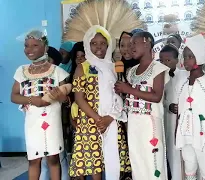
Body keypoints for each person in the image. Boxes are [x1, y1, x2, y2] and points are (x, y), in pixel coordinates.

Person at [70, 25, 132, 180]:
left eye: (103, 43)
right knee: (94, 162)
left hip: (111, 119)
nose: (99, 47)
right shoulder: (82, 67)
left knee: (113, 159)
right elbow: (79, 98)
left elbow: (118, 95)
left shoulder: (113, 67)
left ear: (109, 45)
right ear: (87, 45)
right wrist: (99, 120)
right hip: (91, 120)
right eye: (94, 43)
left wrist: (109, 118)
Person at [11, 30, 69, 180]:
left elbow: (65, 98)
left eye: (35, 45)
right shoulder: (21, 72)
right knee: (33, 160)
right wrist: (33, 100)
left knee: (53, 159)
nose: (29, 49)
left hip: (52, 120)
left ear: (45, 48)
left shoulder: (57, 72)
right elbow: (14, 96)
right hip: (32, 123)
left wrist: (61, 96)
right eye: (26, 46)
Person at [115, 31, 169, 180]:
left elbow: (157, 96)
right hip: (133, 123)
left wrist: (129, 89)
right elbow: (132, 95)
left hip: (149, 123)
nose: (130, 47)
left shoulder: (158, 68)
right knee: (137, 161)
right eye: (129, 44)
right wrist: (122, 91)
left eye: (134, 43)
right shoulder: (131, 71)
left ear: (147, 42)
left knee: (153, 162)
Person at [175, 34, 205, 180]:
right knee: (189, 169)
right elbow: (180, 112)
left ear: (200, 58)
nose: (185, 60)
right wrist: (177, 130)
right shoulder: (181, 84)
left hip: (204, 136)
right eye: (184, 56)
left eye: (190, 56)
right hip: (185, 134)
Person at [39, 46, 70, 180]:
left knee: (58, 157)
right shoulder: (36, 78)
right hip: (38, 124)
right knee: (43, 159)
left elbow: (66, 101)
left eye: (47, 58)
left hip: (56, 123)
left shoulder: (59, 76)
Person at [160, 44, 188, 180]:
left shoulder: (185, 75)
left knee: (187, 154)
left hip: (185, 119)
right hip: (169, 119)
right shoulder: (159, 78)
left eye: (168, 60)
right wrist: (168, 105)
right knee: (172, 152)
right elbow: (160, 98)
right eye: (162, 61)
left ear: (177, 60)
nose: (165, 63)